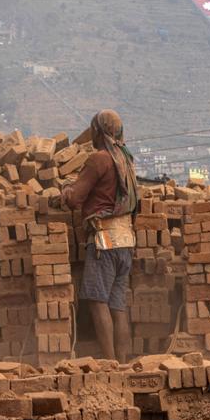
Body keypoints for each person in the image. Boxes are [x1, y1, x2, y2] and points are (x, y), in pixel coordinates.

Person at [61, 110, 139, 362]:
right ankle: (123, 362)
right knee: (118, 306)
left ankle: (109, 362)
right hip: (126, 240)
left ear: (99, 131)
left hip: (104, 241)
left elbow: (75, 197)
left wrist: (65, 190)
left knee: (97, 301)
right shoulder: (126, 159)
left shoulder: (100, 159)